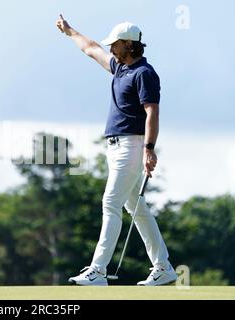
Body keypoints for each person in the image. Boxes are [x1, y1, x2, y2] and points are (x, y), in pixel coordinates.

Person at [56, 15, 178, 286]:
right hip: (116, 147)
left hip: (132, 146)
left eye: (115, 44)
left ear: (128, 44)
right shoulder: (121, 68)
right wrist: (69, 31)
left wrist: (149, 148)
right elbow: (91, 49)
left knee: (110, 203)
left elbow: (152, 112)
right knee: (136, 207)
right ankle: (164, 267)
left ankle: (98, 270)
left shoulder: (144, 73)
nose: (110, 48)